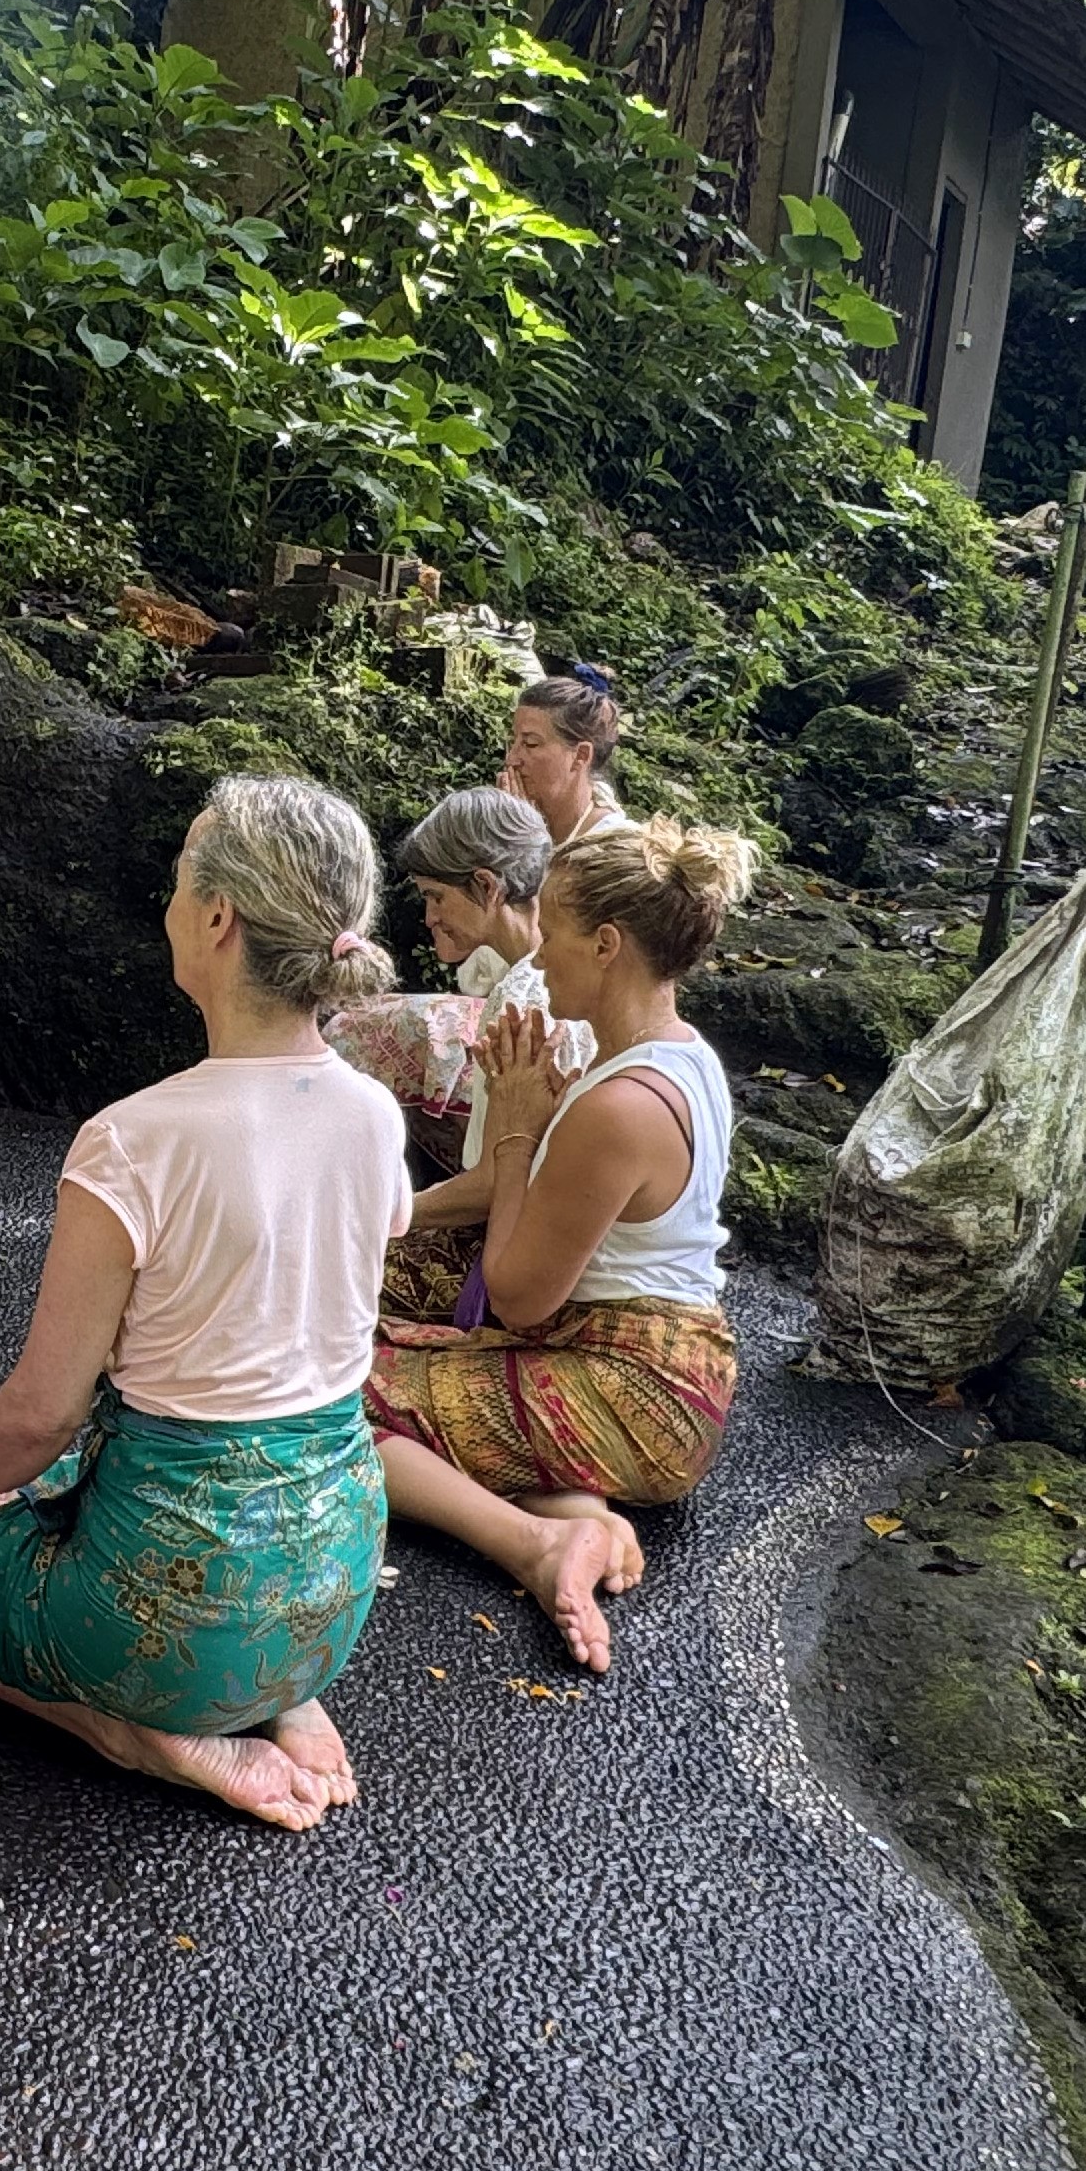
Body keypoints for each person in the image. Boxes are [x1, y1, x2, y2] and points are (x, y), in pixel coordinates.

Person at [0, 776, 411, 1830]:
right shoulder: (372, 1114)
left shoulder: (137, 1138)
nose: (171, 901)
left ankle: (123, 1726)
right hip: (332, 1586)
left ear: (219, 919)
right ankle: (276, 1694)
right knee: (68, 1481)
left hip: (171, 1610)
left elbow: (46, 1408)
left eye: (181, 879)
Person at [365, 819, 756, 1678]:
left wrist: (515, 1126)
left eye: (555, 924)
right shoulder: (671, 1055)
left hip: (636, 1389)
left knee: (321, 1395)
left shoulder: (620, 1108)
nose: (537, 951)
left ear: (608, 945)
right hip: (622, 1346)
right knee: (345, 1283)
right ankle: (575, 1496)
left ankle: (536, 1541)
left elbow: (516, 1296)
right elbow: (527, 1227)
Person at [323, 786, 576, 1201]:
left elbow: (496, 1184)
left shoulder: (521, 998)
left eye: (435, 897)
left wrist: (384, 1220)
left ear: (487, 886)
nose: (429, 917)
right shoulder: (551, 973)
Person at [501, 664, 635, 860]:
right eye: (513, 742)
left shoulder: (617, 851)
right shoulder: (508, 830)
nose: (511, 759)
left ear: (580, 756)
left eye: (530, 744)